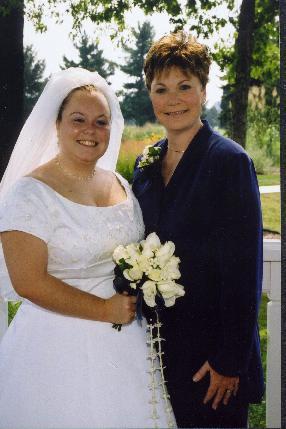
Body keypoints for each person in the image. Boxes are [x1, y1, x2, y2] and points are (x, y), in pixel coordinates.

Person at [0, 68, 175, 428]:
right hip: (54, 348)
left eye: (101, 122)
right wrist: (104, 310)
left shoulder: (120, 185)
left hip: (126, 343)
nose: (90, 131)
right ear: (57, 124)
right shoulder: (28, 193)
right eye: (78, 120)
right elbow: (28, 282)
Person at [132, 31, 264, 428]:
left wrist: (228, 360)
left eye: (184, 86)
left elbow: (245, 270)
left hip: (212, 362)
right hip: (157, 350)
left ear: (204, 90)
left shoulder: (229, 161)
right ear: (150, 95)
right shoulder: (146, 163)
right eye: (162, 88)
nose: (173, 99)